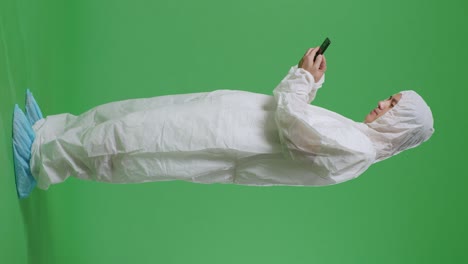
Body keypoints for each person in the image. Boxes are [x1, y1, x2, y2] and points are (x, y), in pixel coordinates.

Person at [12, 47, 434, 199]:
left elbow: (293, 130)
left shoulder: (358, 151)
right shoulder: (357, 136)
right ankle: (52, 131)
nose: (382, 103)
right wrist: (311, 84)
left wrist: (304, 79)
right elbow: (301, 119)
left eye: (394, 105)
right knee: (135, 114)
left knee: (134, 142)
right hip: (227, 118)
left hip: (225, 143)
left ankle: (43, 161)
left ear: (402, 126)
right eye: (390, 97)